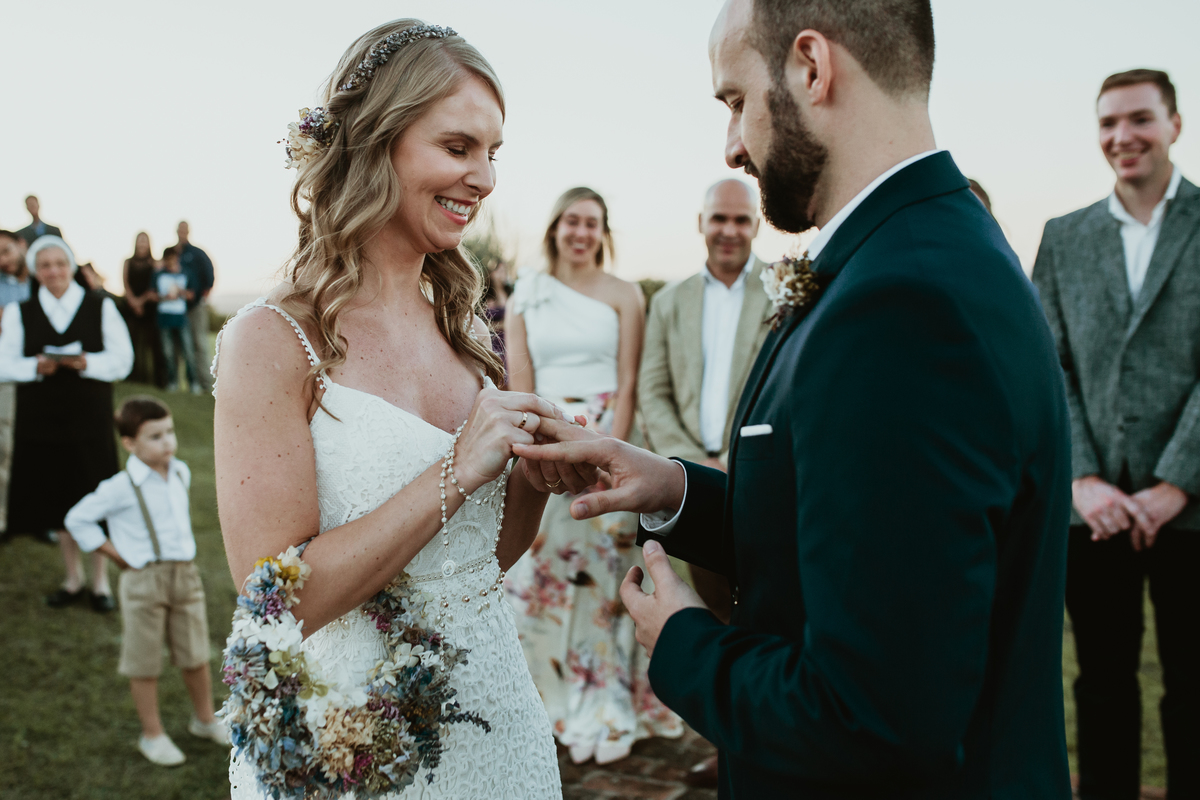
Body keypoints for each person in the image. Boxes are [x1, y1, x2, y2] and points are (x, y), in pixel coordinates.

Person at [513, 1, 1073, 797]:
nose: (732, 144)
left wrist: (683, 641)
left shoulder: (903, 304)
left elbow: (870, 718)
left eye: (736, 100)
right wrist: (674, 488)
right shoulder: (917, 250)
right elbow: (855, 539)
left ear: (812, 67)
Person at [213, 20, 563, 798]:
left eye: (493, 153)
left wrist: (535, 477)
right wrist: (457, 469)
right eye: (458, 147)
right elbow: (279, 601)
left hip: (497, 721)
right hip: (351, 741)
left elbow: (475, 564)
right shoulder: (275, 340)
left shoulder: (464, 329)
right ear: (377, 144)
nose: (484, 178)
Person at [1031, 69, 1198, 800]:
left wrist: (1177, 483)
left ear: (1175, 124)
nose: (1122, 136)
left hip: (1192, 507)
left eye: (1139, 119)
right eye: (1108, 123)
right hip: (1091, 509)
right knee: (1100, 685)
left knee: (1193, 687)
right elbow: (1047, 364)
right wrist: (1082, 478)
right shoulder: (1063, 237)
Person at [503, 187, 682, 765]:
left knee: (605, 579)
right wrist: (548, 452)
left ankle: (603, 695)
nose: (581, 232)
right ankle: (542, 699)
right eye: (573, 221)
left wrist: (608, 455)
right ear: (556, 227)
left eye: (592, 224)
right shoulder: (527, 294)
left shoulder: (625, 294)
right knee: (542, 573)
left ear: (603, 233)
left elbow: (630, 382)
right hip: (548, 443)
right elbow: (522, 385)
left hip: (612, 440)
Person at [636, 177, 771, 786]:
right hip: (696, 485)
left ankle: (764, 745)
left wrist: (739, 463)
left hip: (762, 480)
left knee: (767, 609)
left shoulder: (785, 291)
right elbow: (653, 392)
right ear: (701, 223)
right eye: (719, 218)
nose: (729, 231)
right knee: (714, 610)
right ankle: (730, 744)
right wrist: (692, 466)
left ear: (756, 226)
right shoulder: (670, 302)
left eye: (741, 220)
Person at [64, 396, 229, 765]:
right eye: (155, 436)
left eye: (169, 432)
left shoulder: (181, 472)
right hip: (143, 580)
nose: (167, 441)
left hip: (185, 576)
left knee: (195, 653)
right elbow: (77, 518)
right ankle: (152, 734)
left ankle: (205, 720)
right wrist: (118, 555)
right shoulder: (120, 486)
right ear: (129, 443)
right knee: (144, 660)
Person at [0, 236, 133, 612]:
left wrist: (86, 362)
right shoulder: (21, 311)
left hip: (89, 418)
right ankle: (72, 578)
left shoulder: (100, 306)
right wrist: (34, 367)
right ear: (35, 271)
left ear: (71, 266)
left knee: (94, 494)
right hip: (41, 419)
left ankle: (100, 582)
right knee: (55, 497)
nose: (53, 271)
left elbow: (123, 360)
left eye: (60, 263)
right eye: (45, 265)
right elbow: (4, 363)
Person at [0, 230, 31, 540]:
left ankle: (41, 516)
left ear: (22, 246)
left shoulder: (43, 280)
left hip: (43, 376)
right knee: (5, 447)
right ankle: (4, 518)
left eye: (6, 250)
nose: (3, 259)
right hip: (8, 374)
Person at [173, 222, 214, 393]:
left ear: (188, 231)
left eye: (184, 230)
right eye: (179, 230)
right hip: (175, 308)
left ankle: (205, 383)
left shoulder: (197, 254)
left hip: (195, 306)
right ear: (176, 231)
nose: (181, 233)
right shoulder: (172, 253)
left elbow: (209, 276)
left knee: (199, 344)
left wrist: (201, 297)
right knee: (178, 346)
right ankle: (181, 383)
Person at [156, 247, 201, 393]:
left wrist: (180, 292)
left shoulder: (185, 273)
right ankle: (172, 382)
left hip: (181, 317)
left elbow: (192, 295)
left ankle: (193, 383)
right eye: (168, 259)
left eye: (173, 258)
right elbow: (151, 294)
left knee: (188, 352)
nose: (171, 261)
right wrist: (164, 297)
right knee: (168, 353)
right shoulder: (159, 275)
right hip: (164, 317)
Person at [122, 232, 164, 386]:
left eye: (145, 241)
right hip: (131, 306)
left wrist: (141, 301)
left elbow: (155, 286)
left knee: (153, 343)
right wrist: (133, 302)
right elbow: (125, 283)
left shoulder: (155, 263)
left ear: (149, 244)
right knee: (132, 341)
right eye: (140, 240)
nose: (142, 244)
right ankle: (133, 374)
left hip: (149, 307)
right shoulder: (128, 262)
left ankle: (155, 378)